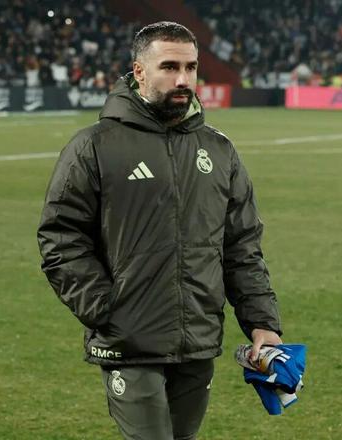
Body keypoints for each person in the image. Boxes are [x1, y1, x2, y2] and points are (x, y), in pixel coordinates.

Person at [37, 21, 282, 440]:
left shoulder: (218, 150)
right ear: (140, 72)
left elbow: (241, 247)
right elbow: (61, 238)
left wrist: (262, 324)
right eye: (170, 67)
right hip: (130, 340)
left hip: (198, 339)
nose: (183, 79)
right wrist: (106, 309)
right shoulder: (94, 146)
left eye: (191, 67)